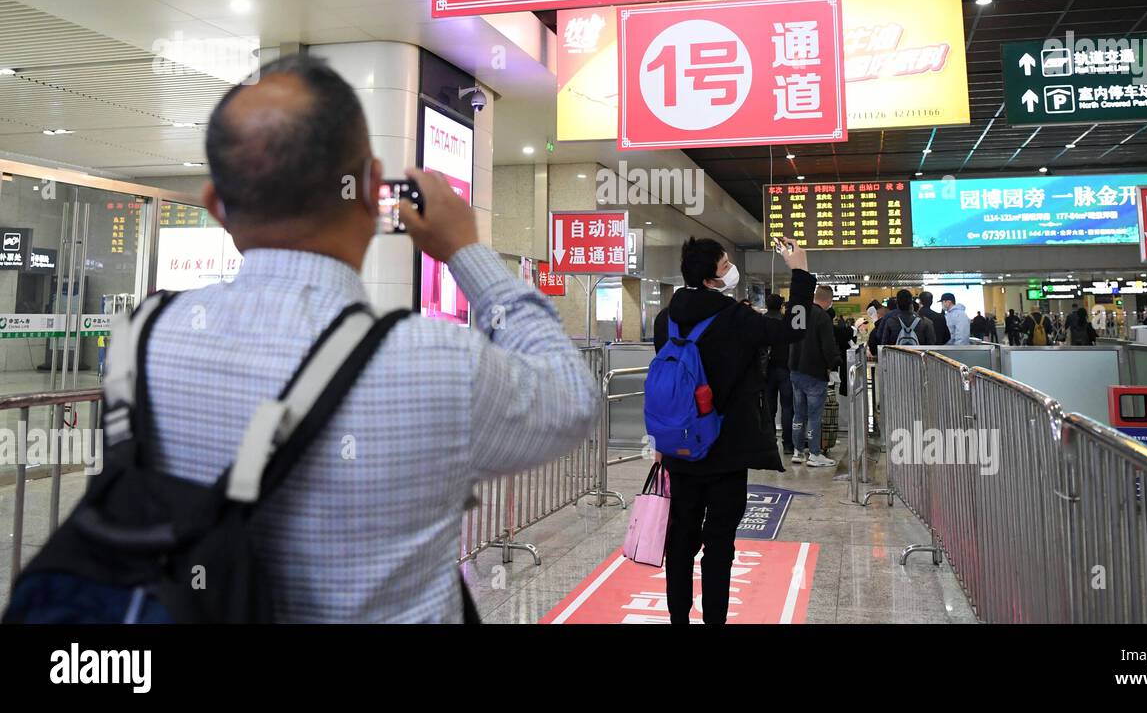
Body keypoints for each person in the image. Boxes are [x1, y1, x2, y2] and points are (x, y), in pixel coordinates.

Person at [137, 54, 599, 622]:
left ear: (216, 206)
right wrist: (467, 252)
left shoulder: (147, 341)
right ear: (372, 191)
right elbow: (572, 400)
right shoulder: (437, 363)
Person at [654, 235, 812, 625]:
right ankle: (714, 621)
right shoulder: (735, 318)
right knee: (719, 540)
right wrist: (801, 272)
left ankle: (678, 618)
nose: (730, 271)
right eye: (725, 266)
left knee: (680, 537)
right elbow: (793, 330)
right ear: (710, 278)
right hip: (725, 448)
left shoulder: (666, 318)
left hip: (680, 446)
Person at [788, 285, 841, 468]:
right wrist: (833, 364)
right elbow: (828, 346)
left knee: (798, 414)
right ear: (828, 300)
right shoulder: (822, 317)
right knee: (814, 416)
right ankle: (815, 454)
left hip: (795, 370)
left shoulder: (799, 312)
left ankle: (797, 451)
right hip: (814, 372)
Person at [762, 294, 796, 456]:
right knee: (788, 407)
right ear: (781, 306)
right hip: (785, 369)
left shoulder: (760, 322)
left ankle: (769, 443)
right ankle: (788, 445)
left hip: (766, 370)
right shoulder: (787, 323)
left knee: (768, 408)